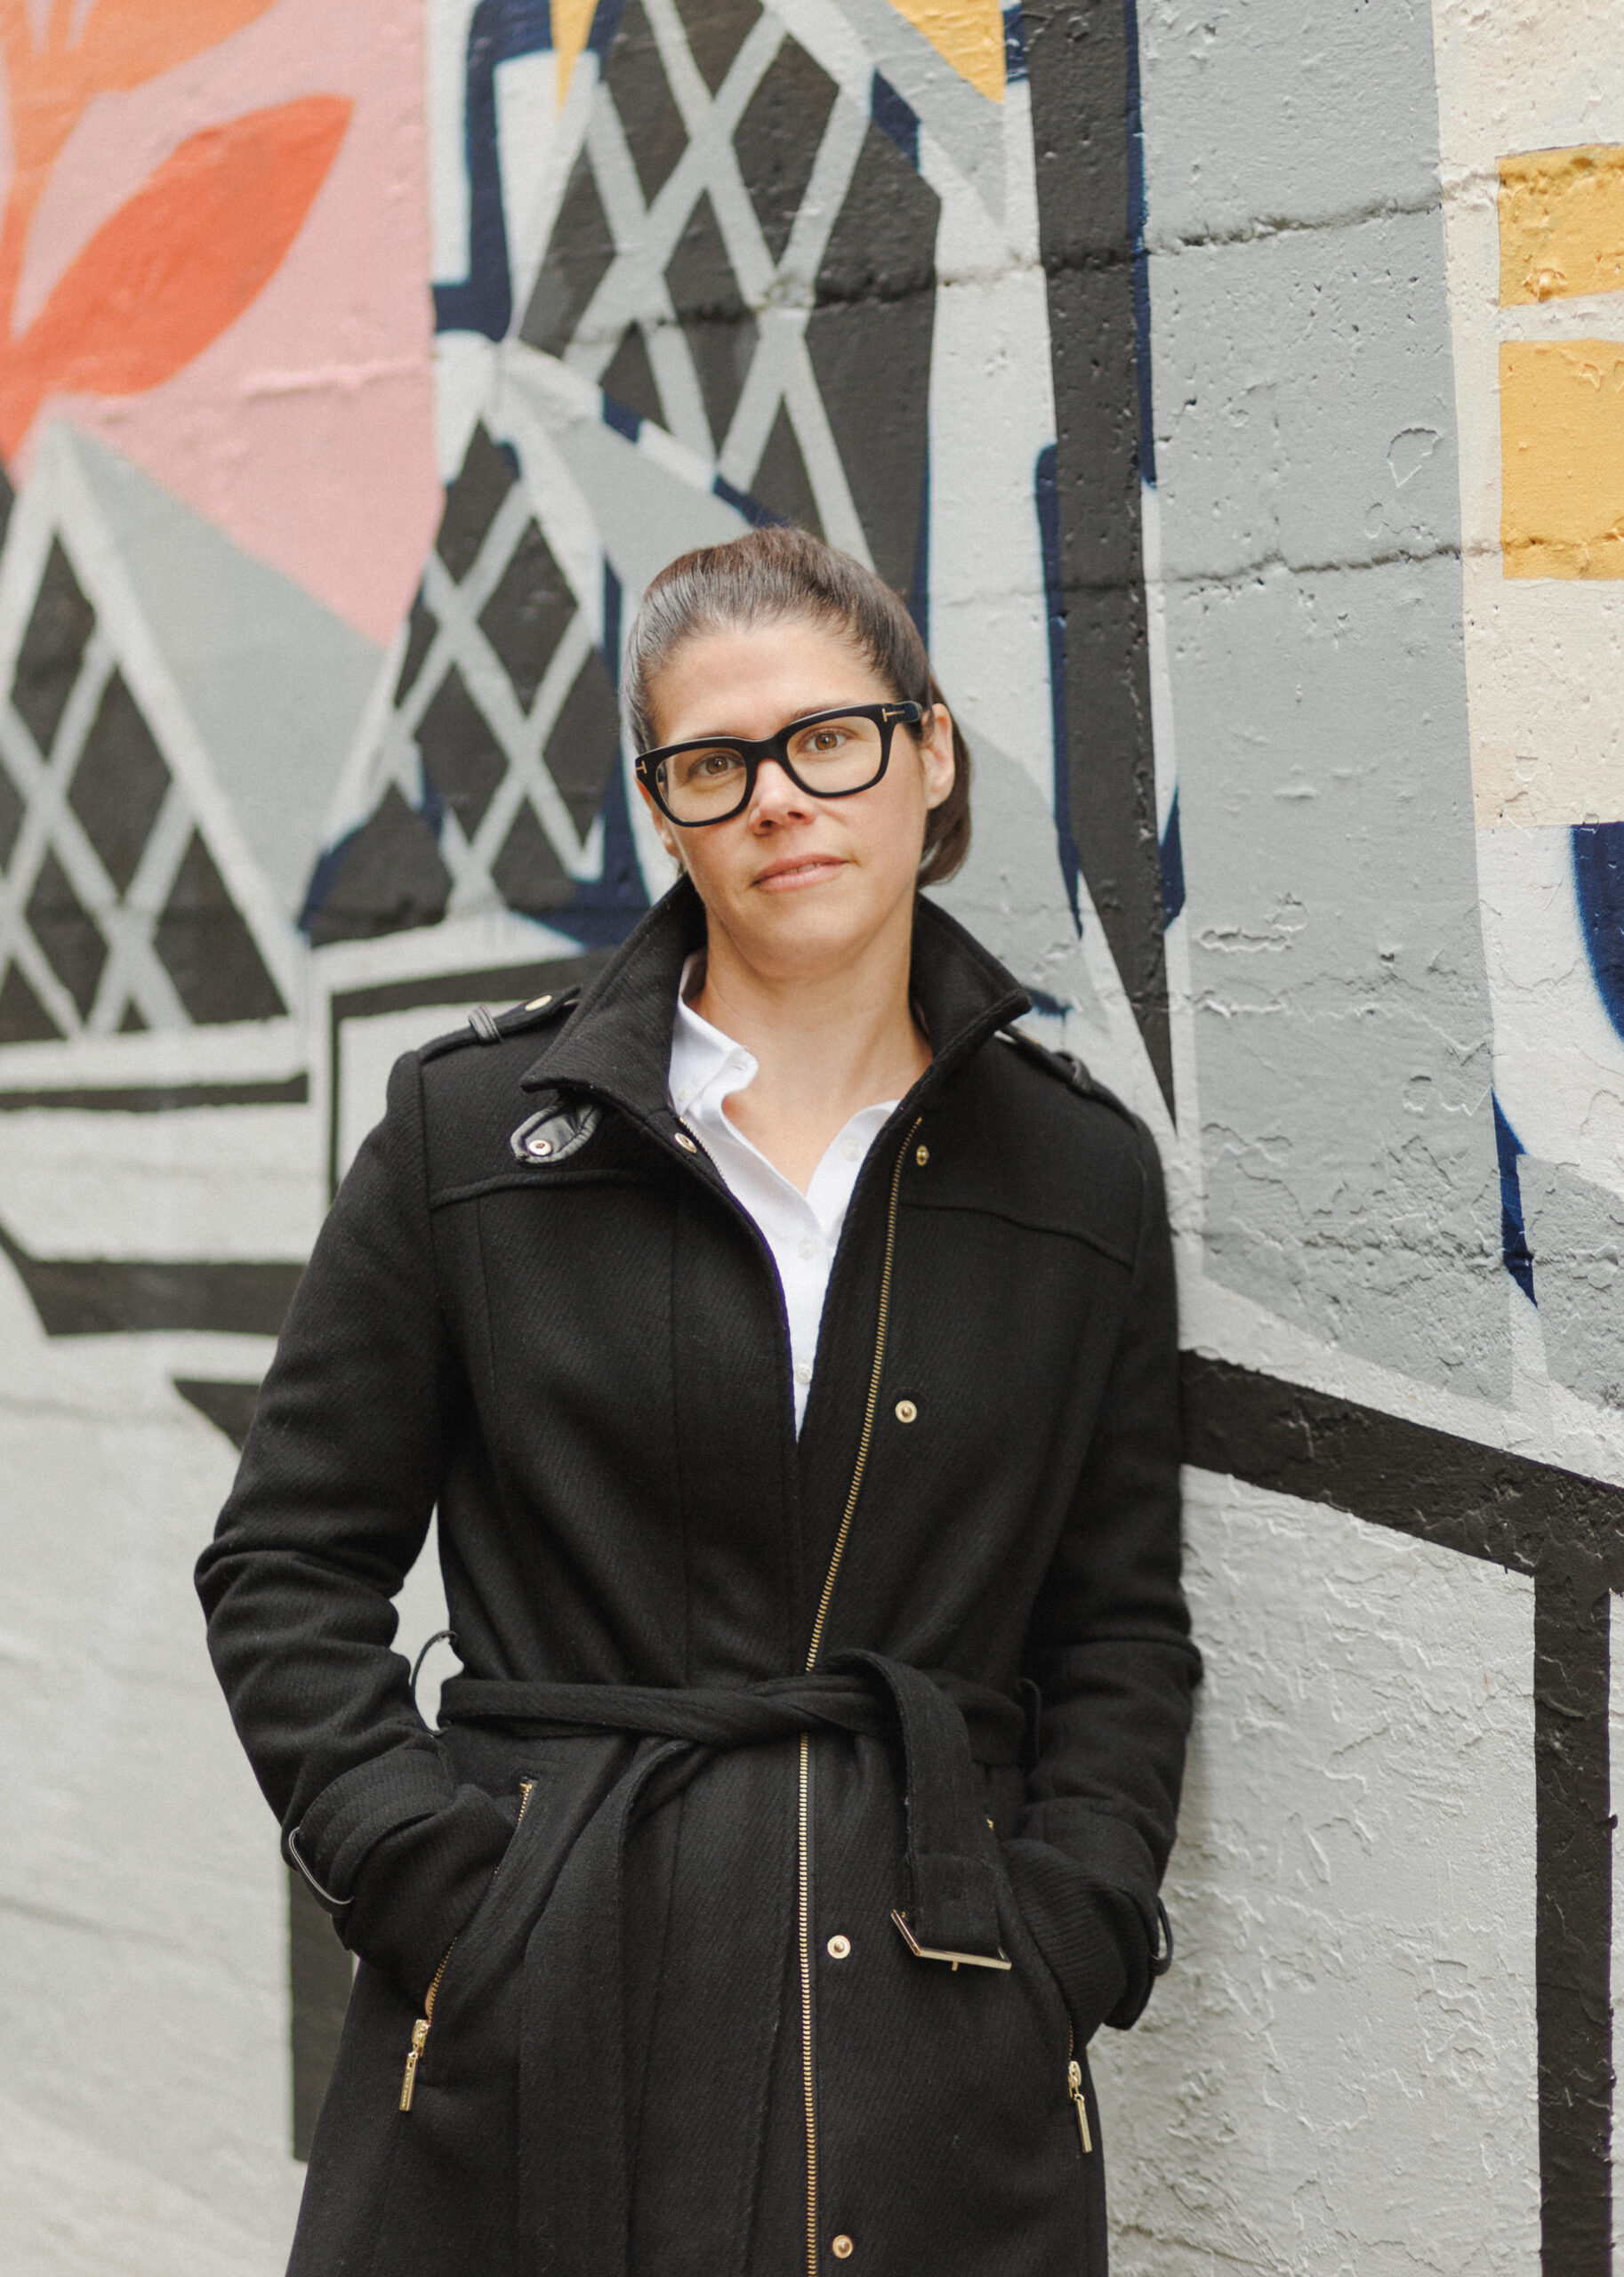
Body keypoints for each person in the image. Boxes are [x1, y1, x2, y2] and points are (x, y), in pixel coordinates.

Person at [197, 526, 1199, 2277]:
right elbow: (286, 1555)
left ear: (927, 750)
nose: (777, 801)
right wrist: (439, 1888)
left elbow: (1117, 1625)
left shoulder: (1078, 1178)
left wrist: (1074, 1925)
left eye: (830, 737)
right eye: (711, 762)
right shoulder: (475, 1138)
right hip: (540, 1983)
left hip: (937, 2011)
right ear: (663, 807)